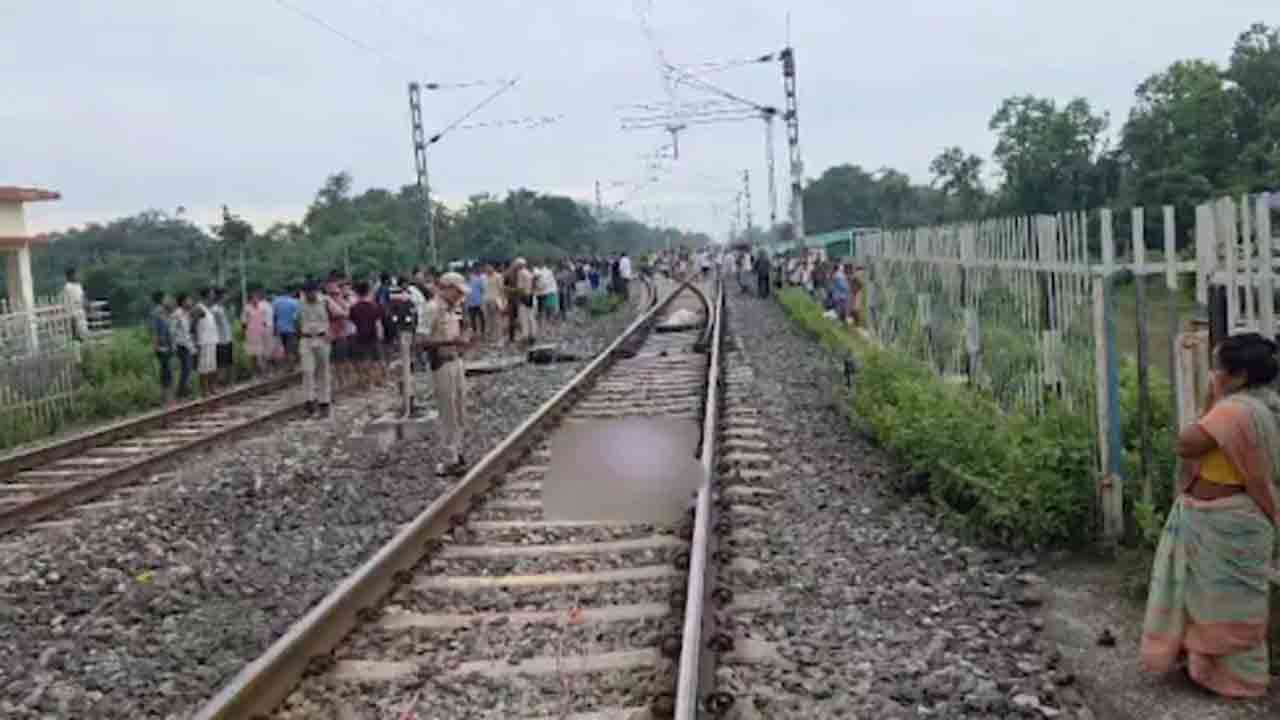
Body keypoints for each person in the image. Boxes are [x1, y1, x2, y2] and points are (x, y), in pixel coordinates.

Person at [1141, 332, 1280, 699]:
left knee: (1224, 599)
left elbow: (1186, 442)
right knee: (1219, 599)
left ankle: (1240, 680)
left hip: (1229, 520)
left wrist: (1211, 399)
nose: (1213, 371)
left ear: (1239, 376)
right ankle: (1211, 672)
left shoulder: (1236, 410)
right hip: (1230, 520)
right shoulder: (1262, 405)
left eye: (1219, 367)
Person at [423, 272, 475, 476]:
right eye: (458, 292)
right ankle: (450, 457)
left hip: (456, 361)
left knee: (460, 409)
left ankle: (459, 452)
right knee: (448, 412)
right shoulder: (432, 309)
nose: (460, 296)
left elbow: (463, 328)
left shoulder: (454, 309)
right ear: (447, 288)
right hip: (442, 363)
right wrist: (451, 342)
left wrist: (465, 335)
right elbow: (422, 341)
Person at [298, 281, 333, 417]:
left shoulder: (325, 301)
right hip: (306, 339)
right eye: (307, 293)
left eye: (312, 292)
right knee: (307, 371)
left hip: (322, 338)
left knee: (323, 372)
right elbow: (296, 320)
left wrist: (332, 331)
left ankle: (324, 403)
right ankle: (309, 403)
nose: (309, 295)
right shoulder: (300, 304)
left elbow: (340, 313)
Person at [348, 280, 385, 387]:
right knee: (376, 360)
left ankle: (367, 382)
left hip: (360, 335)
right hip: (373, 335)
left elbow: (353, 322)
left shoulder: (354, 308)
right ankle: (377, 381)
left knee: (363, 360)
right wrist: (380, 335)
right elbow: (378, 323)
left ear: (357, 293)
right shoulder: (375, 306)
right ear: (368, 291)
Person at [148, 291, 175, 405]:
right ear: (161, 299)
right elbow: (154, 331)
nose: (168, 300)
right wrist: (156, 347)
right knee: (165, 372)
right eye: (166, 298)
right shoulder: (156, 313)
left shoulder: (165, 313)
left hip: (167, 346)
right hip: (162, 347)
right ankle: (166, 398)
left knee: (168, 372)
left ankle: (168, 397)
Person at [242, 288, 274, 377]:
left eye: (256, 297)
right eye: (253, 297)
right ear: (250, 299)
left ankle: (265, 372)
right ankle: (254, 374)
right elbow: (244, 323)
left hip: (262, 333)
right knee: (253, 355)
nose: (255, 299)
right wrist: (244, 333)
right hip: (251, 334)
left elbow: (264, 321)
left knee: (264, 353)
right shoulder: (247, 308)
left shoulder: (262, 307)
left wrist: (266, 330)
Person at [193, 289, 219, 396]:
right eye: (211, 295)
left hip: (212, 340)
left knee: (212, 366)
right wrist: (195, 340)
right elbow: (193, 324)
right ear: (206, 296)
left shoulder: (210, 309)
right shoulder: (199, 308)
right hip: (203, 341)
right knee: (203, 367)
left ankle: (212, 387)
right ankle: (204, 390)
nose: (213, 297)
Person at [170, 293, 195, 400]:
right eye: (189, 300)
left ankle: (184, 391)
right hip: (181, 345)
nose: (191, 302)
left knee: (188, 369)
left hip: (187, 345)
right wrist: (173, 346)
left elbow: (188, 332)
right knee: (186, 369)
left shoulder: (186, 314)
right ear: (183, 302)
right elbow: (172, 331)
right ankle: (181, 393)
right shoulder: (177, 314)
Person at [210, 288, 234, 388]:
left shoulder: (223, 308)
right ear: (221, 296)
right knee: (221, 363)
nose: (227, 297)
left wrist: (231, 313)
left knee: (228, 362)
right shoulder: (214, 309)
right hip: (220, 340)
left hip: (227, 338)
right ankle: (219, 384)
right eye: (225, 295)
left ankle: (227, 383)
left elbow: (228, 322)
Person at [272, 287, 301, 368]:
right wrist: (299, 329)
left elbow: (274, 316)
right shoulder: (295, 302)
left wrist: (274, 328)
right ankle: (291, 365)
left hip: (280, 329)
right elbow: (297, 317)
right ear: (290, 293)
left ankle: (289, 365)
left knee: (285, 348)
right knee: (291, 348)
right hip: (292, 329)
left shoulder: (275, 302)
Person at [514, 258, 538, 344]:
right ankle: (533, 334)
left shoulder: (520, 273)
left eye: (516, 264)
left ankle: (525, 335)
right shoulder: (528, 273)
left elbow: (520, 288)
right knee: (531, 317)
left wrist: (518, 298)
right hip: (530, 295)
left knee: (523, 318)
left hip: (524, 297)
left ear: (519, 265)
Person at [483, 264, 506, 342]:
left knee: (497, 320)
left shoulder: (498, 277)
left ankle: (499, 337)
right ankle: (492, 337)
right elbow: (484, 290)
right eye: (486, 269)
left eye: (489, 268)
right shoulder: (485, 278)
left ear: (493, 268)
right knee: (489, 320)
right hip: (487, 300)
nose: (487, 270)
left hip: (495, 300)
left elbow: (501, 290)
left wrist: (503, 303)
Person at [466, 266, 486, 337]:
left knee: (481, 317)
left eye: (468, 272)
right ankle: (474, 332)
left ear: (471, 273)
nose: (467, 274)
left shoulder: (477, 280)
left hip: (478, 302)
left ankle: (483, 331)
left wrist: (482, 300)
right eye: (466, 273)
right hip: (470, 303)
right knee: (472, 319)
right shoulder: (465, 282)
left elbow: (483, 290)